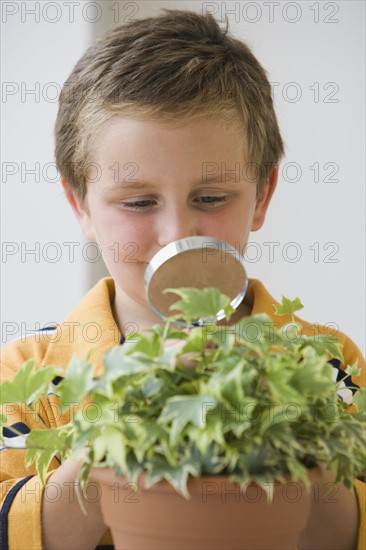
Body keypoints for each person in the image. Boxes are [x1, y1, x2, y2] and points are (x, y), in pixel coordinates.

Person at [1, 9, 364, 550]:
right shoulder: (26, 380)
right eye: (139, 202)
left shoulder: (326, 365)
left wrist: (283, 411)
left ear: (262, 196)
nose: (178, 233)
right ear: (80, 205)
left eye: (211, 199)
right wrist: (127, 420)